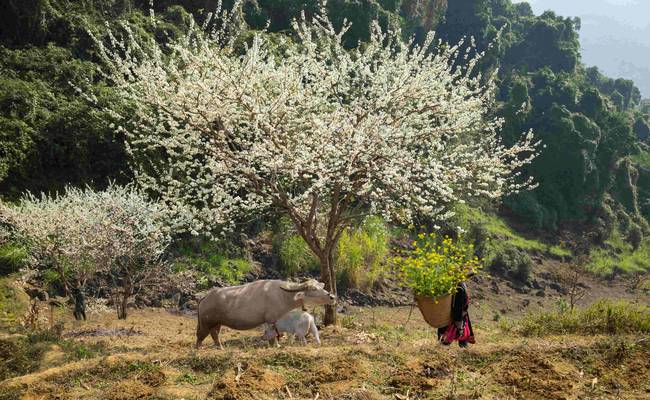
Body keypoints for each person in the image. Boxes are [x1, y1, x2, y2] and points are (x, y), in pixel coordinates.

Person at [437, 281, 475, 347]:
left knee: (459, 335)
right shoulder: (458, 288)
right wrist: (458, 321)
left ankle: (462, 347)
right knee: (451, 334)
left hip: (458, 314)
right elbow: (458, 306)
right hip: (456, 315)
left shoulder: (456, 285)